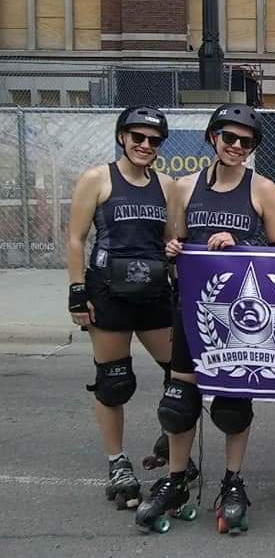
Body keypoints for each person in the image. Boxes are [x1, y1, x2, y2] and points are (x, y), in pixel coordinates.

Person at [136, 104, 275, 534]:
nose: (237, 147)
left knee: (233, 405)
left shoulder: (262, 188)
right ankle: (177, 478)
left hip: (241, 317)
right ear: (212, 138)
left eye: (247, 141)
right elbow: (174, 244)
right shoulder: (184, 188)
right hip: (192, 309)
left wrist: (241, 242)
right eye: (229, 138)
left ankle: (233, 481)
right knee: (179, 404)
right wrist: (173, 252)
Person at [67, 106, 176, 512]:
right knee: (113, 383)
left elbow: (170, 238)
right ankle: (118, 464)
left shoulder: (165, 185)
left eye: (153, 140)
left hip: (152, 291)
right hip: (109, 292)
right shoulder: (97, 179)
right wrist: (77, 291)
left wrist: (173, 250)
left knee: (180, 374)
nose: (145, 145)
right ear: (122, 137)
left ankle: (171, 434)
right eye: (137, 138)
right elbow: (76, 238)